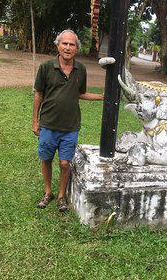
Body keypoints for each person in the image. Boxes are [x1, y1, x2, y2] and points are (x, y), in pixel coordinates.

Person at [32, 29, 103, 212]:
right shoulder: (46, 67)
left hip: (70, 126)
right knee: (46, 159)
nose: (68, 47)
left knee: (65, 163)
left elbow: (81, 93)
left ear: (76, 48)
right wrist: (35, 121)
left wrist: (102, 97)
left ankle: (62, 195)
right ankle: (48, 192)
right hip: (48, 124)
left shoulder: (81, 69)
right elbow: (39, 94)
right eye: (65, 43)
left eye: (72, 44)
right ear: (58, 45)